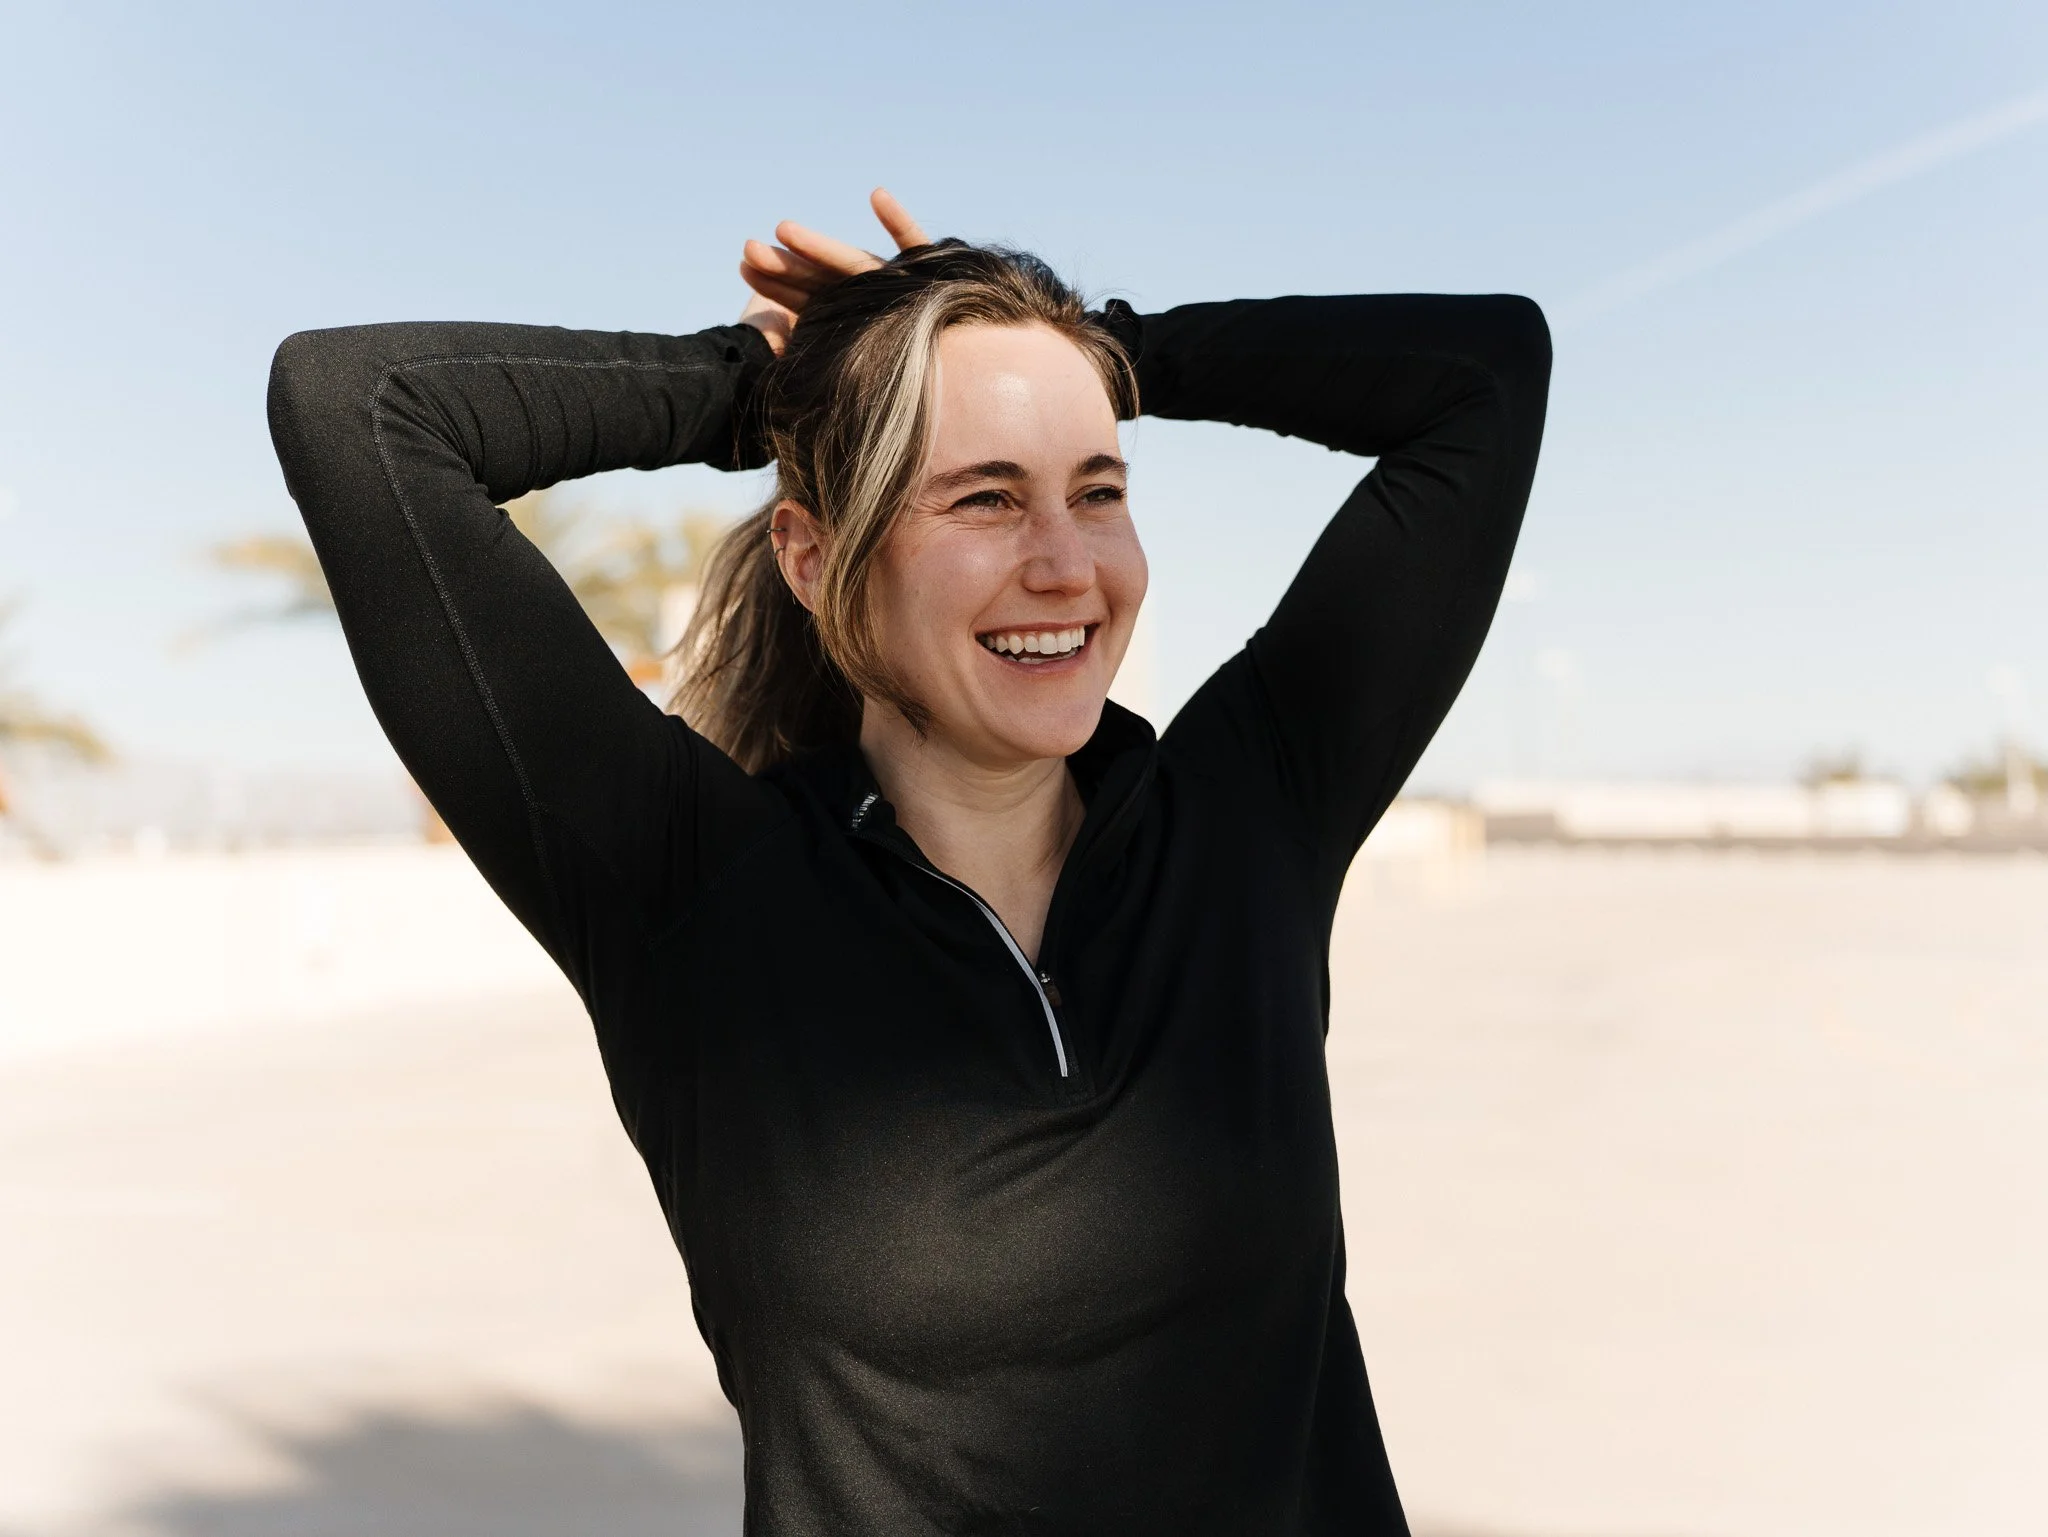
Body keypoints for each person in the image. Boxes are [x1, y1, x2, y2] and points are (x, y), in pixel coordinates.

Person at [267, 189, 1550, 1535]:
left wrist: (1097, 351)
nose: (1066, 566)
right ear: (817, 556)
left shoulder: (1248, 820)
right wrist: (771, 384)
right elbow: (360, 407)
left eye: (1097, 492)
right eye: (986, 497)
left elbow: (1485, 374)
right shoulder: (690, 894)